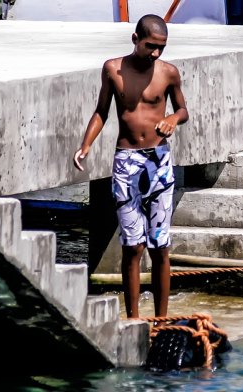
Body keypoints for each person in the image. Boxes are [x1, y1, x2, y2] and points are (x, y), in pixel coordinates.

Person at [73, 14, 188, 318]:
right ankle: (133, 318)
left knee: (160, 246)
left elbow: (183, 109)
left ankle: (162, 320)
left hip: (159, 162)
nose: (156, 53)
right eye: (150, 46)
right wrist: (86, 145)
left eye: (161, 47)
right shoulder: (113, 69)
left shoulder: (168, 73)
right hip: (126, 162)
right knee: (131, 246)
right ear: (135, 39)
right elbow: (102, 111)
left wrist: (172, 120)